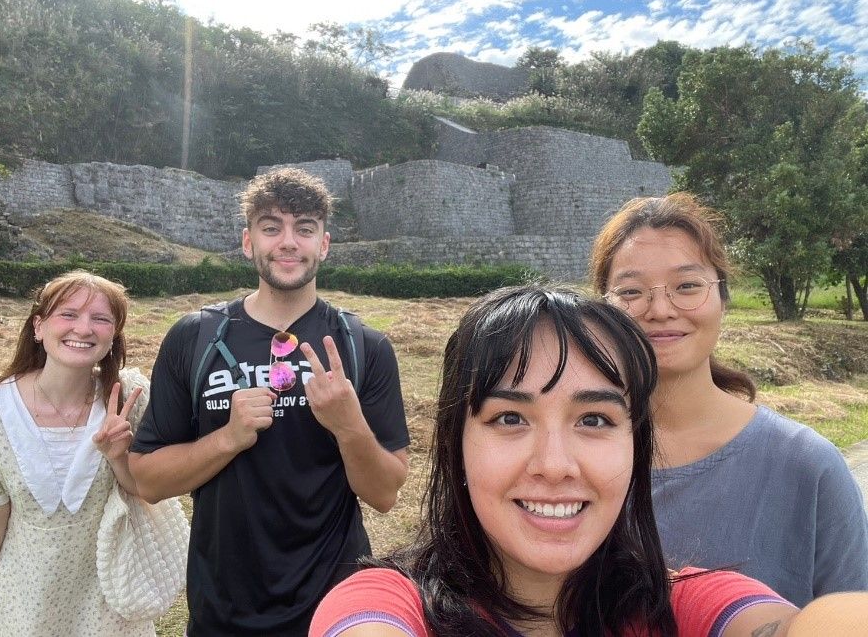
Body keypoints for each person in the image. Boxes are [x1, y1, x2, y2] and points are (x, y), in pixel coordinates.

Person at [310, 283, 868, 637]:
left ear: (636, 447)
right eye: (510, 418)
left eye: (595, 420)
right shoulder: (384, 605)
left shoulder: (691, 607)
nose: (555, 465)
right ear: (456, 444)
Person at [128, 167, 410, 636]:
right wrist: (228, 439)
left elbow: (384, 494)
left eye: (304, 228)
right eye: (271, 227)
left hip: (332, 606)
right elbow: (149, 480)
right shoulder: (196, 336)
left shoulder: (363, 346)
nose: (288, 242)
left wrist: (348, 423)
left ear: (323, 244)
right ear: (247, 242)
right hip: (223, 606)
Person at [589, 192, 868, 606]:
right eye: (631, 292)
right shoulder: (573, 457)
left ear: (723, 299)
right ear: (602, 310)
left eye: (687, 286)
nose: (660, 309)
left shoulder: (807, 466)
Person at [0, 270, 152, 636]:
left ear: (113, 336)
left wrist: (118, 456)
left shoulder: (132, 398)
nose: (83, 329)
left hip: (110, 603)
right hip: (23, 604)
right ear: (38, 327)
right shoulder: (0, 410)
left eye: (100, 318)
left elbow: (145, 491)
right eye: (68, 314)